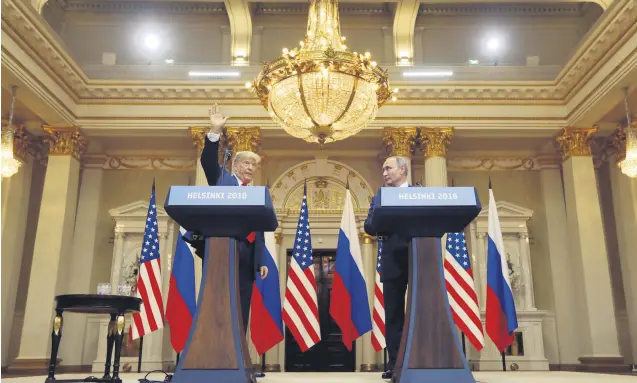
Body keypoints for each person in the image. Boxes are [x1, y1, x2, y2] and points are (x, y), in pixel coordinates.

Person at [183, 106, 268, 377]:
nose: (251, 169)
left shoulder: (254, 194)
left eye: (254, 165)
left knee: (242, 309)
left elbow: (261, 229)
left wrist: (261, 260)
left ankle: (239, 360)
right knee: (218, 305)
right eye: (247, 164)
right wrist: (215, 131)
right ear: (235, 165)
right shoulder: (222, 180)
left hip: (246, 260)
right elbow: (208, 162)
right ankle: (213, 357)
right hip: (222, 253)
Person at [364, 156, 410, 380]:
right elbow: (369, 227)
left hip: (420, 259)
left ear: (402, 169)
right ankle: (395, 365)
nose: (384, 172)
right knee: (393, 316)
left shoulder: (419, 195)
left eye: (388, 168)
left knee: (424, 311)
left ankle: (422, 358)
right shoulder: (379, 198)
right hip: (392, 261)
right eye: (382, 169)